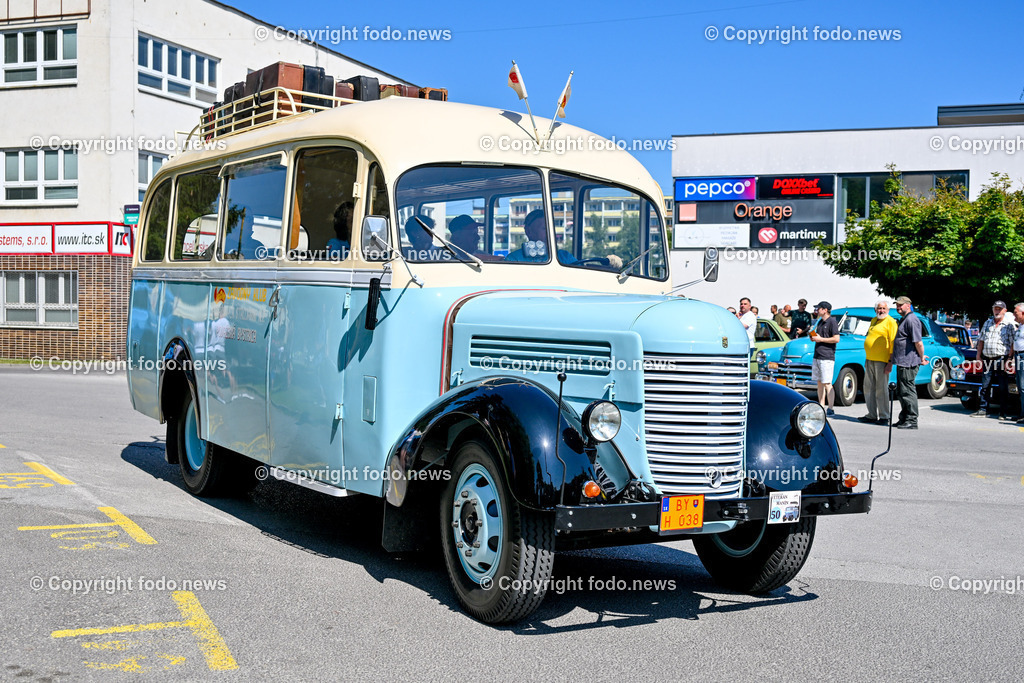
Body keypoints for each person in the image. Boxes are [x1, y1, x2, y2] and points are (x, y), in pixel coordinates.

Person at [972, 300, 1017, 418]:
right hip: (987, 358)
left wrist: (1010, 358)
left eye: (999, 309)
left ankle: (1003, 412)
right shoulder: (987, 323)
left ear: (1005, 311)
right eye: (995, 308)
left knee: (1003, 386)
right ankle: (983, 409)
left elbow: (1013, 343)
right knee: (985, 385)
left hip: (1002, 358)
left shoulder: (1009, 325)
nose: (997, 311)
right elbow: (981, 340)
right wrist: (978, 356)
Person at [890, 295, 926, 429]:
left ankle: (912, 420)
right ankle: (904, 417)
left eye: (900, 305)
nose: (898, 307)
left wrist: (921, 357)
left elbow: (918, 342)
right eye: (897, 305)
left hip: (908, 362)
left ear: (908, 305)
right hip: (902, 361)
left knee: (907, 391)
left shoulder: (912, 320)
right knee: (901, 391)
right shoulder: (905, 319)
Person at [860, 299, 897, 424]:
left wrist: (890, 362)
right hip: (870, 359)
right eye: (879, 308)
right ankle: (871, 414)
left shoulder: (891, 322)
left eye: (883, 309)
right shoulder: (874, 320)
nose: (881, 311)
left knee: (881, 389)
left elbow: (893, 343)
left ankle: (884, 416)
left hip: (882, 360)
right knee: (868, 387)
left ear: (888, 310)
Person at [505, 209, 575, 264]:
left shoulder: (564, 256)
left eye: (552, 229)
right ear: (529, 231)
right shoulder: (514, 259)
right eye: (545, 229)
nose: (550, 233)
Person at [809, 301, 840, 416]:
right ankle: (821, 406)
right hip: (817, 355)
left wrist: (820, 339)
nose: (817, 310)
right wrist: (813, 336)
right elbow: (817, 337)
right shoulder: (820, 322)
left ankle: (830, 408)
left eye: (819, 308)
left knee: (827, 383)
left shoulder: (832, 321)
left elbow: (836, 339)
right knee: (819, 382)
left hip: (827, 356)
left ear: (825, 310)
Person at [1012, 303, 1024, 423]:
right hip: (1018, 355)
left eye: (1016, 313)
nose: (1014, 315)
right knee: (1020, 387)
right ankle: (1022, 413)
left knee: (1023, 387)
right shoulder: (1020, 325)